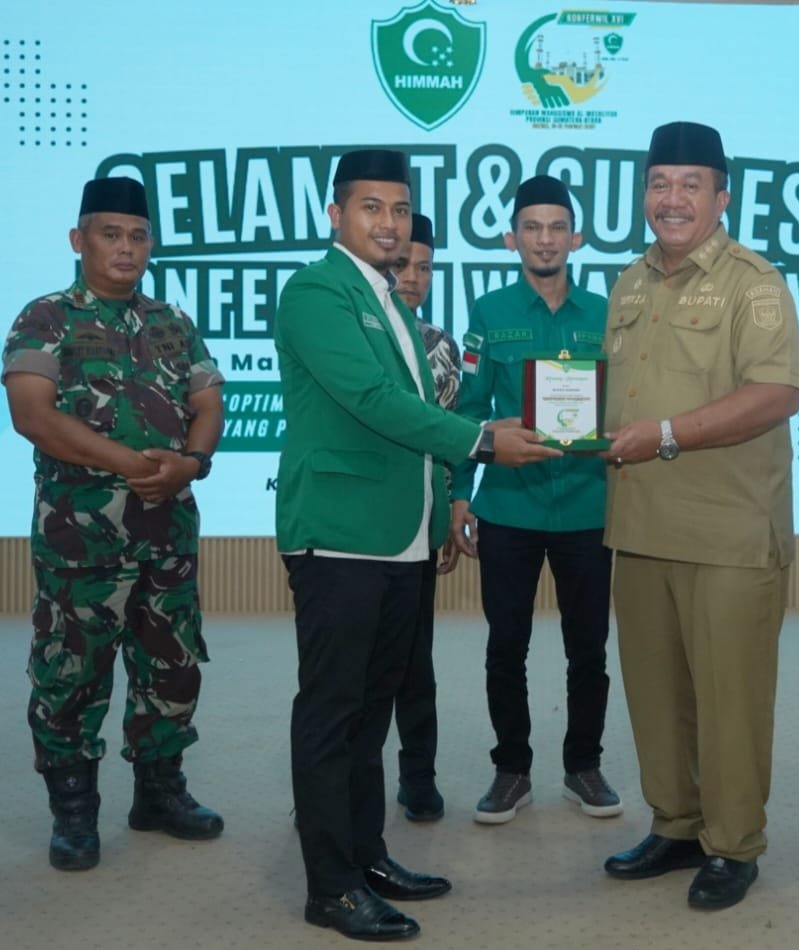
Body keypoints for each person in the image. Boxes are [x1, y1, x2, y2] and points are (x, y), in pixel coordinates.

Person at [273, 148, 558, 942]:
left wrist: (447, 500)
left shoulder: (390, 301)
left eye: (399, 209)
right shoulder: (316, 291)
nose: (389, 223)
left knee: (371, 715)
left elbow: (419, 410)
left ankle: (366, 856)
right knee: (332, 713)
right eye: (371, 207)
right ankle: (329, 887)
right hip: (341, 535)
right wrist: (482, 440)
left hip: (399, 539)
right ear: (336, 214)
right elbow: (370, 400)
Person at [599, 121, 799, 911]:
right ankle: (677, 824)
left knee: (730, 702)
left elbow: (777, 393)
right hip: (640, 524)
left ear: (723, 197)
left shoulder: (755, 283)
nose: (672, 199)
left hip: (727, 533)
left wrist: (667, 434)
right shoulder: (630, 282)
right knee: (656, 696)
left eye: (691, 185)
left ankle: (733, 844)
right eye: (659, 184)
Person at [1, 176, 226, 873]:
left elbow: (209, 401)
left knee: (172, 666)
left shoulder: (172, 322)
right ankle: (73, 810)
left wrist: (191, 462)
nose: (125, 248)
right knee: (72, 672)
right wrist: (131, 463)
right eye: (110, 234)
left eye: (137, 236)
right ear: (80, 240)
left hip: (168, 533)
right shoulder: (47, 318)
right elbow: (32, 415)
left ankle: (160, 792)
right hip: (81, 539)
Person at [448, 174, 619, 826]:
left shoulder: (607, 314)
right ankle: (511, 770)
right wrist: (459, 495)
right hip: (509, 509)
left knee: (589, 650)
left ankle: (583, 766)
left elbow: (626, 405)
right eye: (532, 227)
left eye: (557, 227)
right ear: (510, 238)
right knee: (505, 648)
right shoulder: (488, 313)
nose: (544, 239)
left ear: (577, 238)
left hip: (587, 504)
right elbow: (468, 414)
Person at [389, 212, 457, 823]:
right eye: (403, 264)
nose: (413, 277)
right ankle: (334, 786)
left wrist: (449, 512)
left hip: (421, 524)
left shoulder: (441, 347)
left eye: (425, 268)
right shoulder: (350, 330)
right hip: (354, 526)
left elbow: (449, 440)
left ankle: (419, 777)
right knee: (346, 670)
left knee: (416, 662)